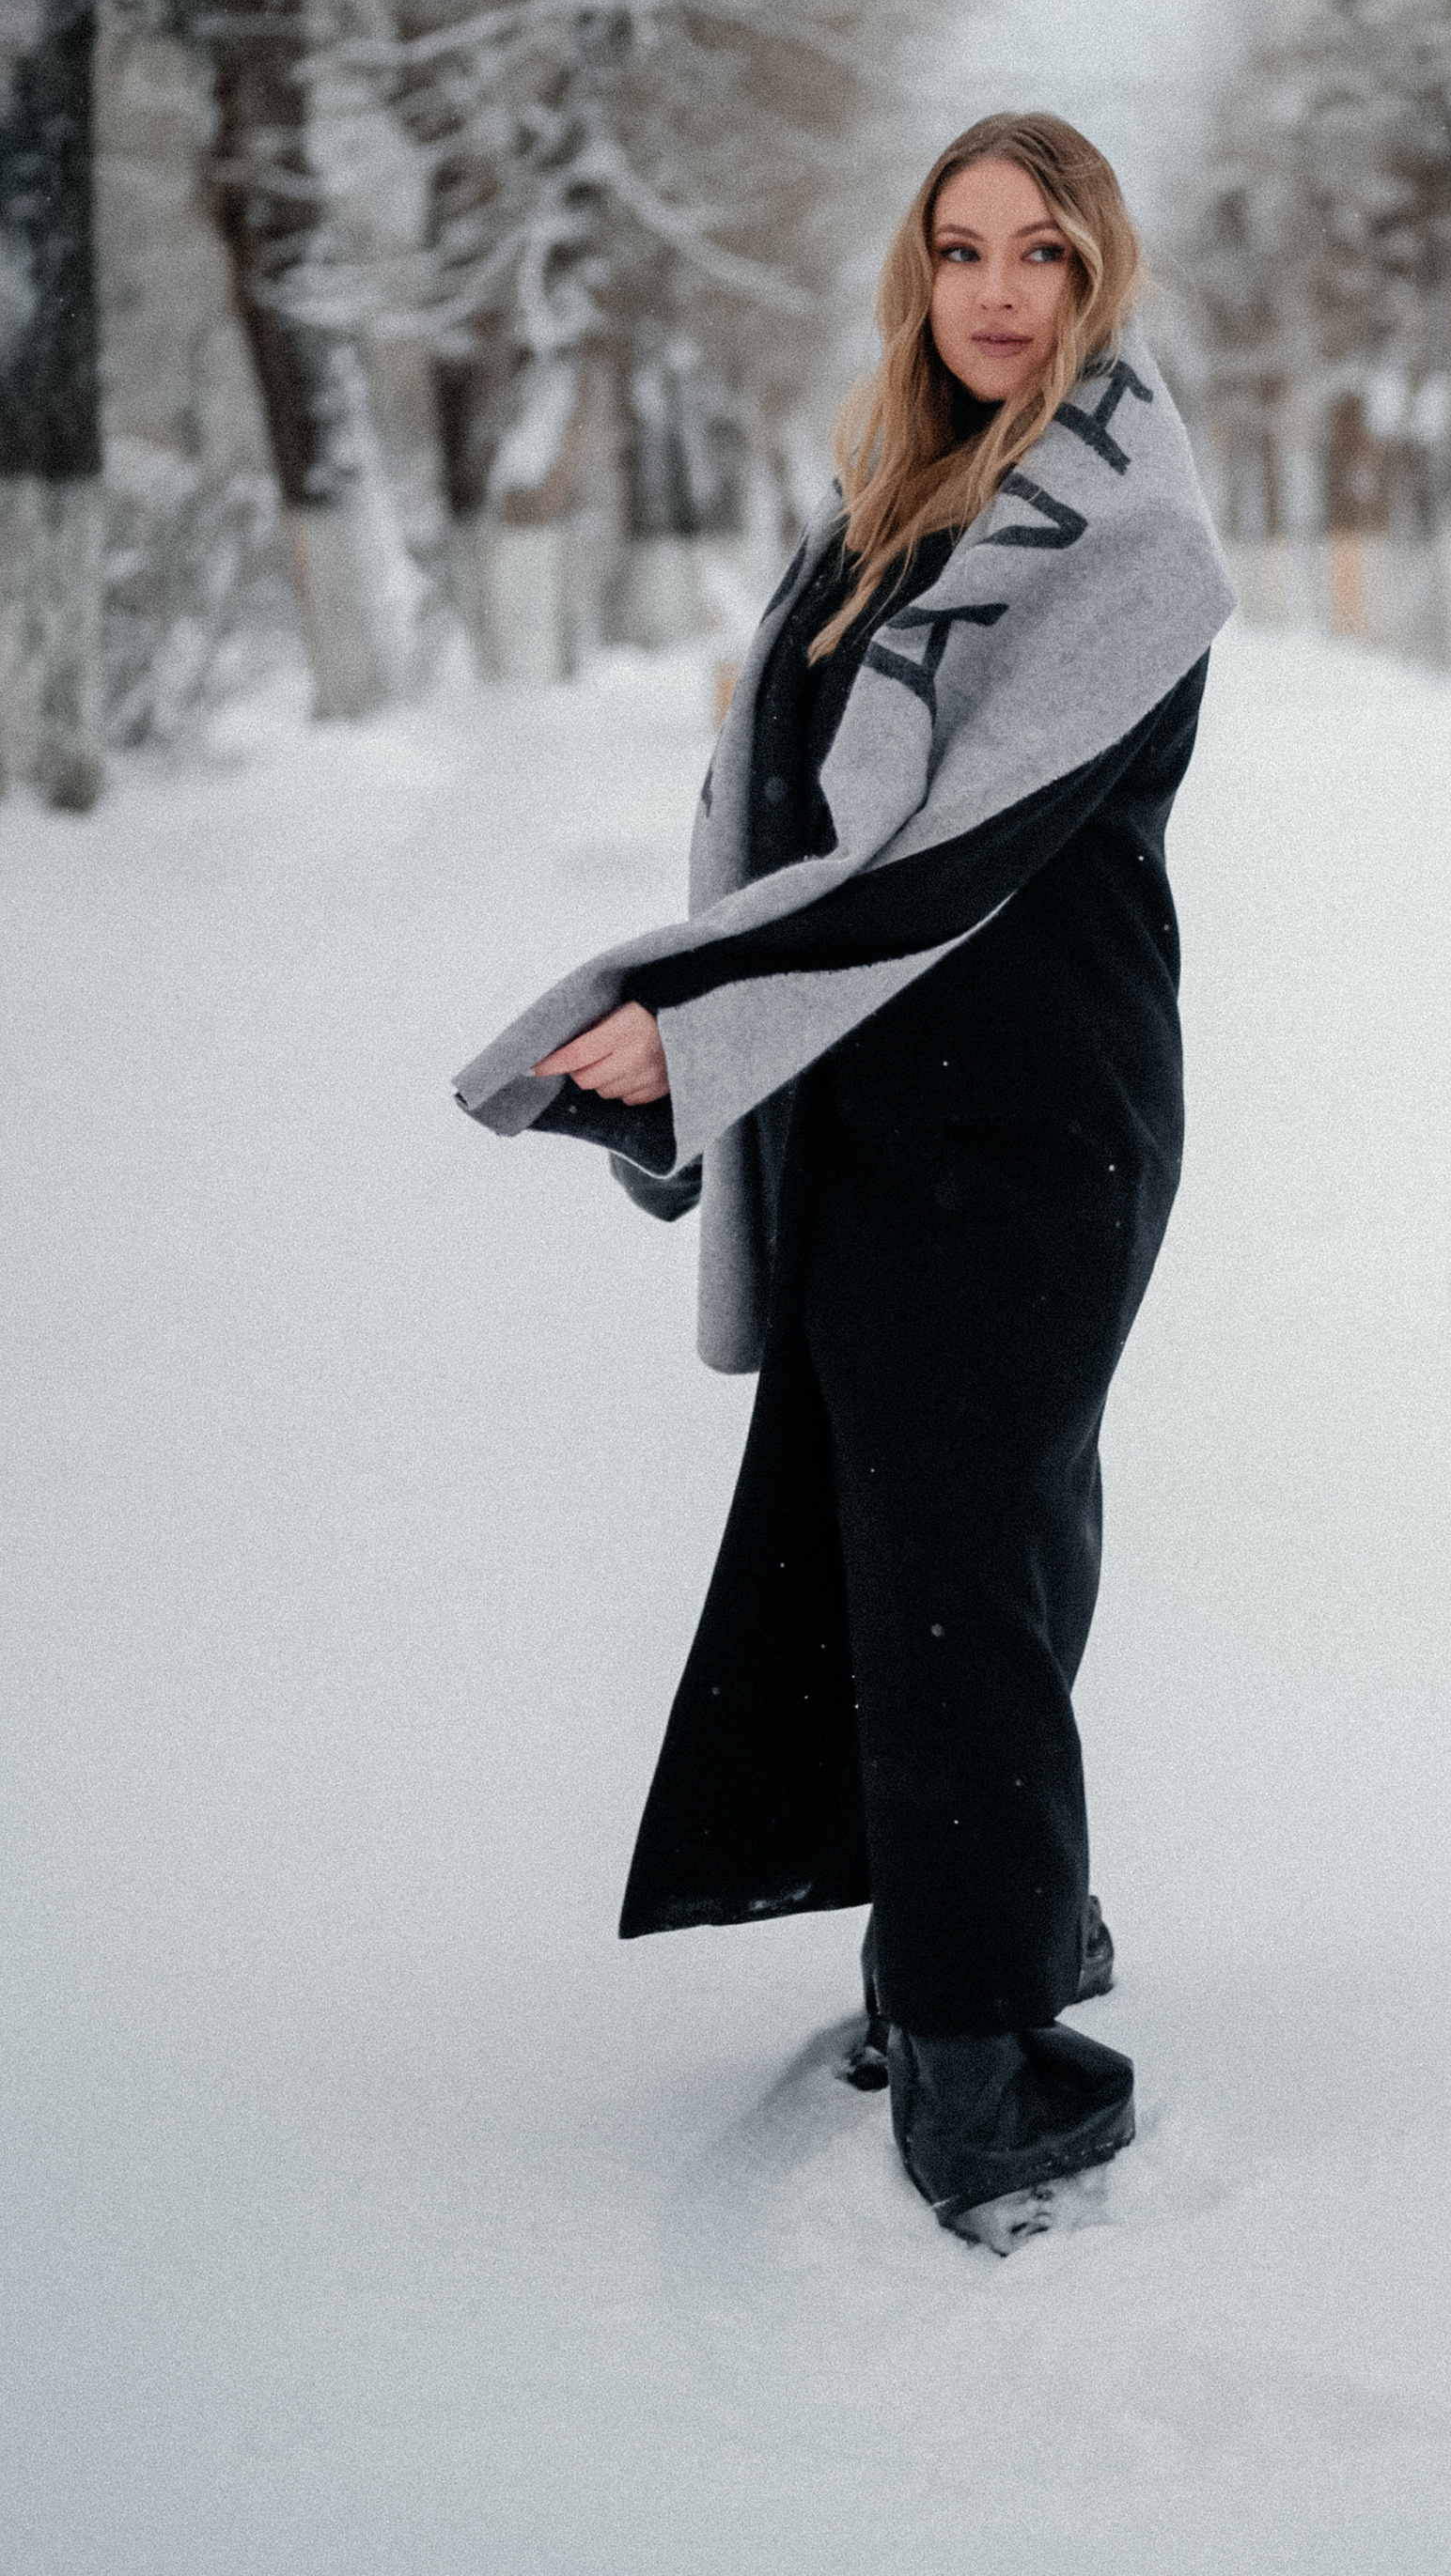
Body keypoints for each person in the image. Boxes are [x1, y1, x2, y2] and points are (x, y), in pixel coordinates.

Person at [452, 115, 1234, 2248]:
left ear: (1103, 275)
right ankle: (1014, 1918)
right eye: (961, 251)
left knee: (957, 1554)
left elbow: (945, 859)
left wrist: (680, 1027)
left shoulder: (1130, 539)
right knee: (963, 1528)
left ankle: (982, 2059)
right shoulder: (890, 504)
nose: (999, 293)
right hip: (876, 1102)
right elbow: (789, 799)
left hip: (1032, 1123)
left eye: (1043, 256)